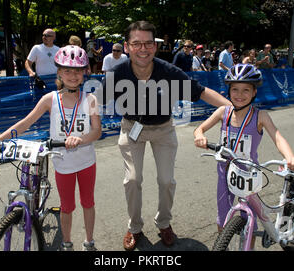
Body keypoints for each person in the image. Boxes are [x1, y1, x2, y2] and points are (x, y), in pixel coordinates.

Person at [97, 21, 232, 250]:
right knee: (132, 180)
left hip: (163, 129)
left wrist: (234, 110)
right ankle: (135, 226)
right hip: (132, 129)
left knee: (166, 181)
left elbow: (201, 92)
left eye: (148, 43)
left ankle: (163, 223)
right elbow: (94, 101)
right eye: (136, 43)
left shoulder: (168, 71)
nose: (143, 48)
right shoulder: (117, 73)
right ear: (127, 47)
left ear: (155, 46)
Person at [0, 45, 102, 251]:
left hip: (86, 161)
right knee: (67, 207)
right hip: (63, 164)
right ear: (59, 72)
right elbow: (25, 123)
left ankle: (89, 242)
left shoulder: (90, 99)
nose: (73, 75)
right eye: (67, 70)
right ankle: (67, 242)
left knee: (88, 202)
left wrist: (80, 139)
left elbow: (97, 131)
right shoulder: (50, 99)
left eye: (78, 70)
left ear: (85, 72)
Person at [193, 64, 294, 249]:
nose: (239, 94)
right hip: (225, 172)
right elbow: (200, 128)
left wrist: (290, 156)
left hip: (248, 174)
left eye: (246, 90)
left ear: (254, 92)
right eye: (235, 89)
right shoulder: (223, 111)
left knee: (249, 219)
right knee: (222, 219)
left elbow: (277, 138)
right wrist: (199, 135)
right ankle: (224, 244)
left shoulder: (260, 116)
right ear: (228, 90)